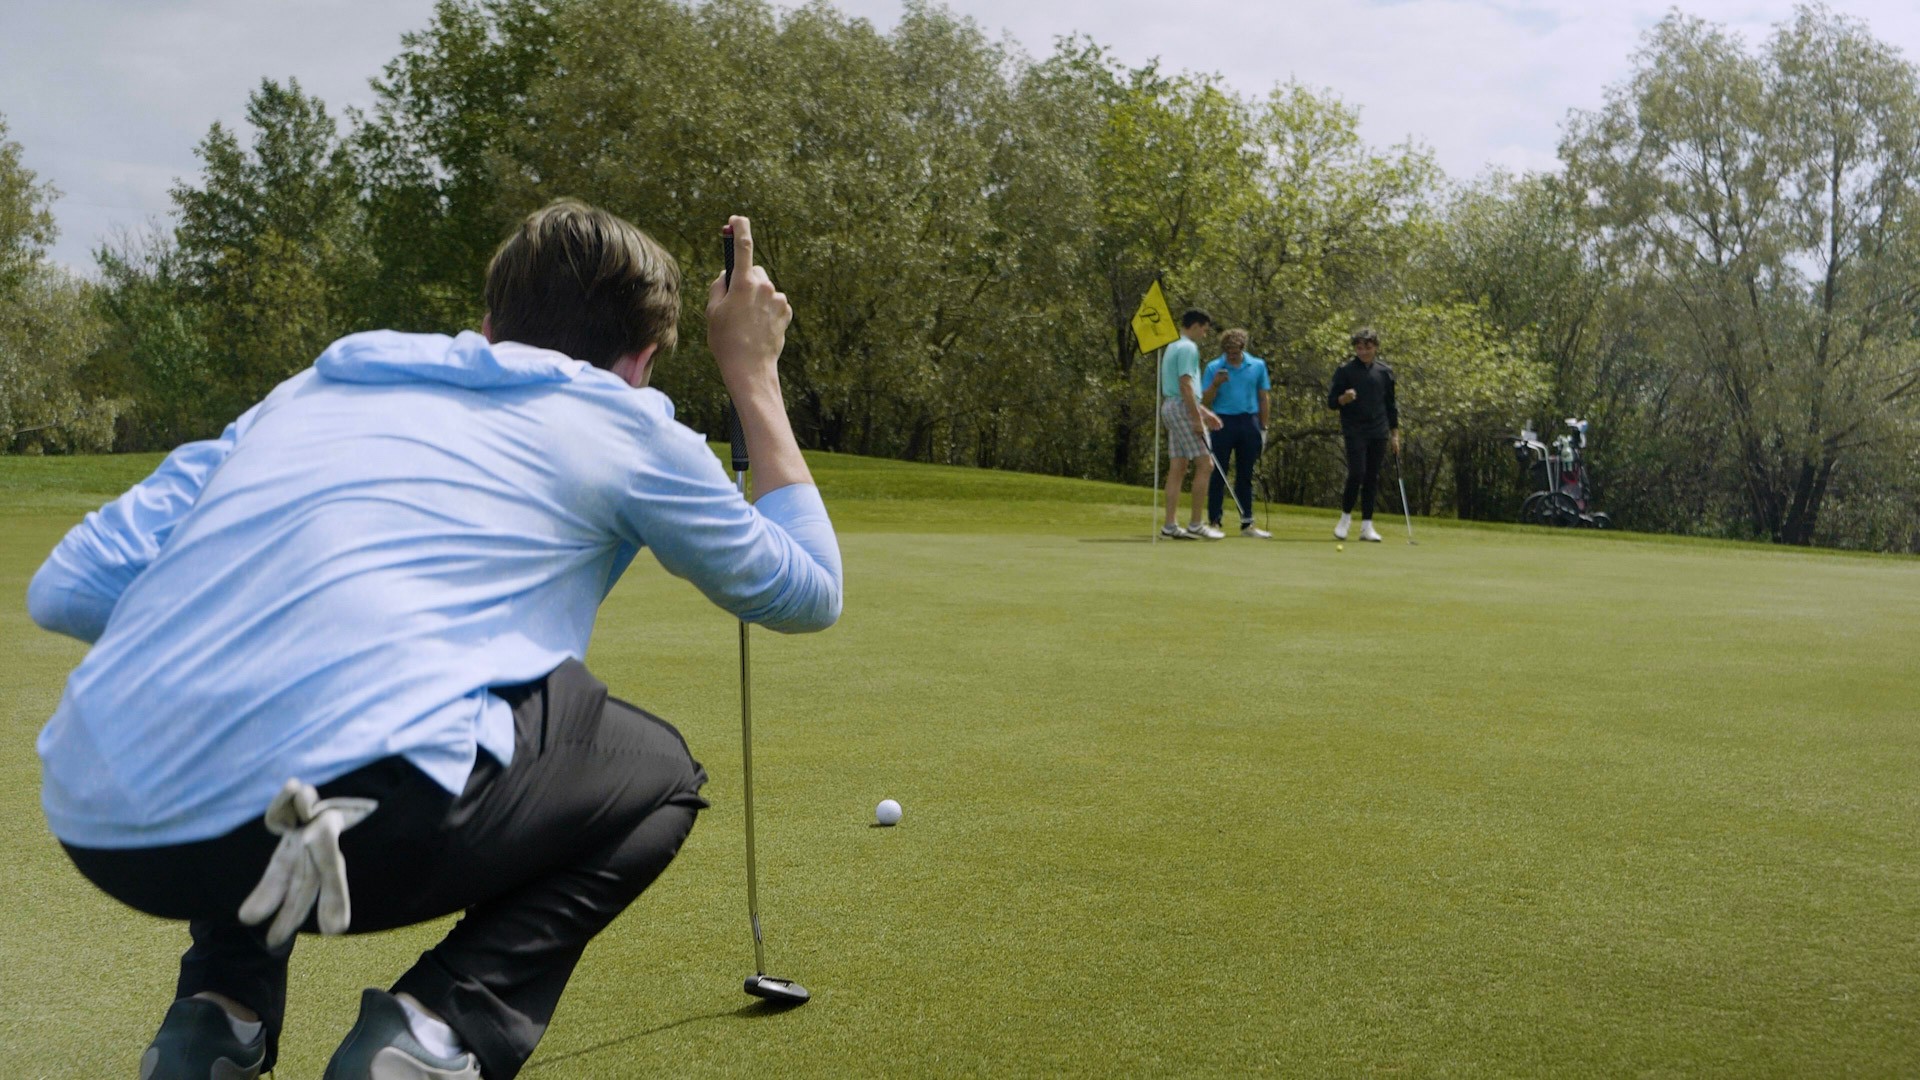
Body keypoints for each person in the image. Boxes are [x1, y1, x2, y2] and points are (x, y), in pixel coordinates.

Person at [26, 202, 842, 1080]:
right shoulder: (626, 421)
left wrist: (258, 623)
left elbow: (67, 585)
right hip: (373, 827)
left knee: (266, 694)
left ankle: (215, 1019)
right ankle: (436, 1031)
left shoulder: (316, 388)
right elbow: (807, 588)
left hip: (106, 821)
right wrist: (752, 372)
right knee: (658, 776)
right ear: (640, 362)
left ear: (488, 325)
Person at [1326, 327, 1400, 541]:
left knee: (1371, 478)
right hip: (1355, 429)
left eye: (1367, 347)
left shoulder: (1385, 372)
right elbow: (1331, 402)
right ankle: (1345, 519)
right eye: (1359, 347)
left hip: (1379, 431)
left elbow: (1391, 406)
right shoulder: (1345, 371)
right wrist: (1344, 399)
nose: (1363, 351)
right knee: (1357, 472)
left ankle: (1367, 526)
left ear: (1375, 347)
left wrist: (1395, 434)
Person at [1200, 328, 1272, 539]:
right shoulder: (1214, 367)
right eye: (1228, 350)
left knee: (1245, 475)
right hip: (1222, 422)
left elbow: (1263, 397)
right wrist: (1215, 384)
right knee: (1218, 473)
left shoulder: (1257, 365)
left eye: (1235, 350)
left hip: (1249, 422)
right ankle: (1214, 521)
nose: (1231, 354)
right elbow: (1205, 401)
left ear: (1243, 348)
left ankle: (1247, 523)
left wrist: (1264, 427)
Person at [1159, 309, 1224, 540]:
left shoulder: (1173, 345)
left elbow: (1184, 391)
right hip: (1182, 408)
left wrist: (1204, 413)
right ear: (1195, 326)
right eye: (1204, 330)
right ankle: (1196, 523)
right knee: (1206, 464)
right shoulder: (1188, 347)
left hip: (1171, 407)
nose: (1204, 335)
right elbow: (1185, 385)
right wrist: (1197, 419)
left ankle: (1169, 525)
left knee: (1178, 466)